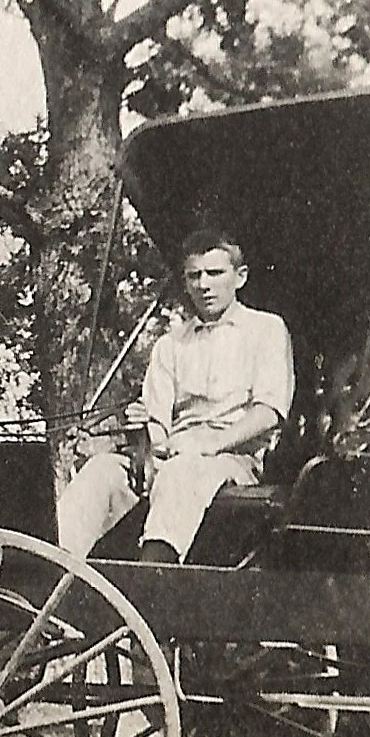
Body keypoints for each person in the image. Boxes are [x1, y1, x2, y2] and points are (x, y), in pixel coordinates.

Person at [58, 228, 294, 563]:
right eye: (194, 276)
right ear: (185, 283)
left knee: (182, 472)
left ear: (239, 277)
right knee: (101, 471)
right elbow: (156, 424)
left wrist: (209, 445)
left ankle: (153, 576)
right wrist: (145, 441)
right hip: (170, 456)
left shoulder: (266, 330)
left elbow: (270, 412)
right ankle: (53, 571)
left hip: (231, 461)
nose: (204, 284)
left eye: (215, 273)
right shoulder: (170, 344)